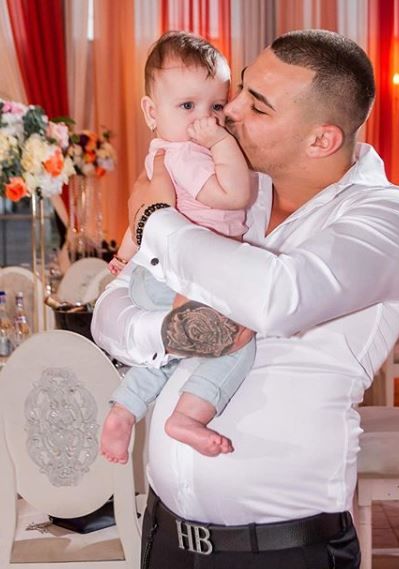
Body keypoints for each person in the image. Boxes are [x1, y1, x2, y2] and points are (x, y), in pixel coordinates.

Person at [93, 29, 399, 569]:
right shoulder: (229, 187)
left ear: (321, 139)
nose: (229, 110)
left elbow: (276, 297)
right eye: (242, 89)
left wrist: (153, 218)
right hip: (164, 536)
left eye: (257, 105)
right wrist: (162, 333)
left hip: (284, 551)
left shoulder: (389, 217)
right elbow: (110, 310)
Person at [99, 32, 255, 465]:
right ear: (152, 112)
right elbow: (234, 195)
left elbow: (142, 216)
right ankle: (187, 416)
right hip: (182, 276)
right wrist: (222, 143)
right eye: (187, 106)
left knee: (169, 355)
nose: (204, 120)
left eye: (216, 107)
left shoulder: (162, 156)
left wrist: (124, 255)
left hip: (160, 275)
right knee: (237, 344)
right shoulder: (187, 155)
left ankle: (125, 408)